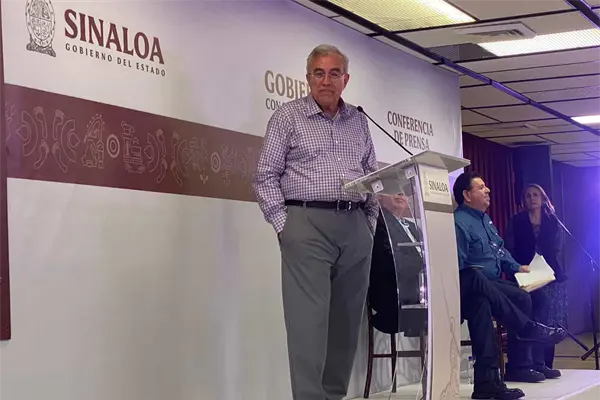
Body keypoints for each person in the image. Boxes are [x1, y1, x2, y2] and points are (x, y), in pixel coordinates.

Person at [253, 44, 378, 400]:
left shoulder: (359, 121)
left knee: (346, 325)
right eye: (319, 73)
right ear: (308, 78)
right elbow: (265, 176)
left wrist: (368, 225)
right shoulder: (288, 117)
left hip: (355, 226)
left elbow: (372, 176)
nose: (326, 80)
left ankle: (334, 396)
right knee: (308, 325)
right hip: (306, 224)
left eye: (334, 73)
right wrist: (286, 227)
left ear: (345, 79)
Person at [452, 172, 567, 400]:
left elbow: (501, 251)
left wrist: (517, 267)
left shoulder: (485, 219)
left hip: (492, 284)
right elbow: (456, 265)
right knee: (482, 297)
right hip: (471, 285)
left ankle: (498, 377)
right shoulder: (459, 223)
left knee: (526, 297)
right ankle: (525, 333)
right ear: (467, 195)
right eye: (481, 187)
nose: (488, 190)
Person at [505, 184, 567, 375]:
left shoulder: (553, 221)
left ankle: (544, 364)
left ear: (543, 199)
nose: (532, 198)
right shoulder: (516, 221)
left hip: (549, 276)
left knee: (547, 320)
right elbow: (509, 247)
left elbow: (557, 247)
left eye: (536, 195)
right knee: (530, 319)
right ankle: (527, 363)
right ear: (523, 200)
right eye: (528, 195)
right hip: (525, 276)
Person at [369, 190, 424, 335]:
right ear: (379, 196)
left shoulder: (413, 227)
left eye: (404, 192)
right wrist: (423, 265)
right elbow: (388, 261)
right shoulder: (378, 222)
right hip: (394, 296)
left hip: (419, 290)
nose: (400, 193)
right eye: (393, 189)